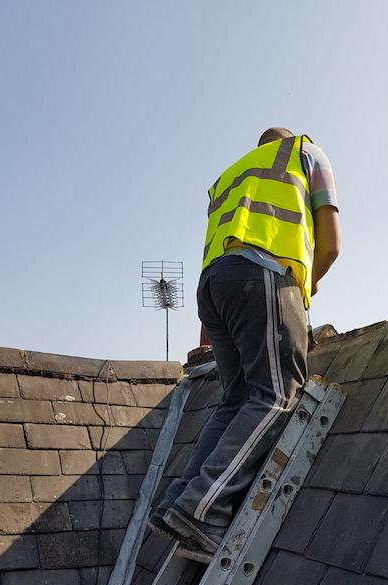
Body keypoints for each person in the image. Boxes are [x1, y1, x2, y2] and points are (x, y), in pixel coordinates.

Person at [151, 127, 340, 552]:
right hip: (261, 277)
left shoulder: (231, 175)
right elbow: (330, 246)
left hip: (214, 287)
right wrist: (301, 296)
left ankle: (174, 501)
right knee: (277, 392)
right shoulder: (305, 152)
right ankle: (202, 507)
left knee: (236, 398)